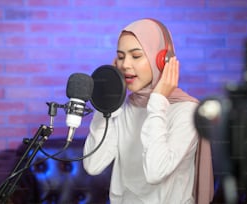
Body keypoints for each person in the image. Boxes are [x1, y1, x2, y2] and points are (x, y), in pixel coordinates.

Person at [83, 18, 214, 204]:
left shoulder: (188, 112)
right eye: (120, 57)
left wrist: (158, 101)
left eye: (136, 56)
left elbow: (155, 172)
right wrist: (107, 101)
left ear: (162, 60)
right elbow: (93, 165)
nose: (125, 65)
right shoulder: (122, 108)